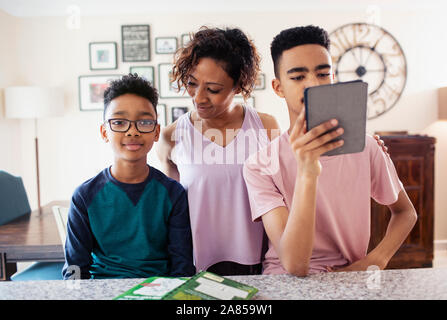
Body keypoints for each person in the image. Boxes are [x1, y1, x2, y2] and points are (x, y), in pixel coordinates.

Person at [243, 26, 417, 277]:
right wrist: (307, 171)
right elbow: (295, 265)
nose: (313, 84)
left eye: (323, 74)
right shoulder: (259, 165)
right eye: (298, 77)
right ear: (278, 87)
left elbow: (405, 212)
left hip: (350, 278)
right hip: (285, 282)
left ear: (333, 77)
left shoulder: (366, 147)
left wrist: (377, 259)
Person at [157, 27, 280, 275]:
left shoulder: (266, 127)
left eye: (213, 89)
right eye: (192, 84)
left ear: (238, 86)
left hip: (258, 260)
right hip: (195, 263)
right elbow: (172, 209)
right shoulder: (171, 136)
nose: (198, 98)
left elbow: (281, 195)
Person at [63, 74, 195, 279]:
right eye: (119, 122)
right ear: (104, 132)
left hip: (160, 291)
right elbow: (75, 269)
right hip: (104, 290)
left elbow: (182, 267)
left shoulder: (173, 193)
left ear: (157, 131)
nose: (132, 132)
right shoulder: (84, 196)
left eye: (144, 122)